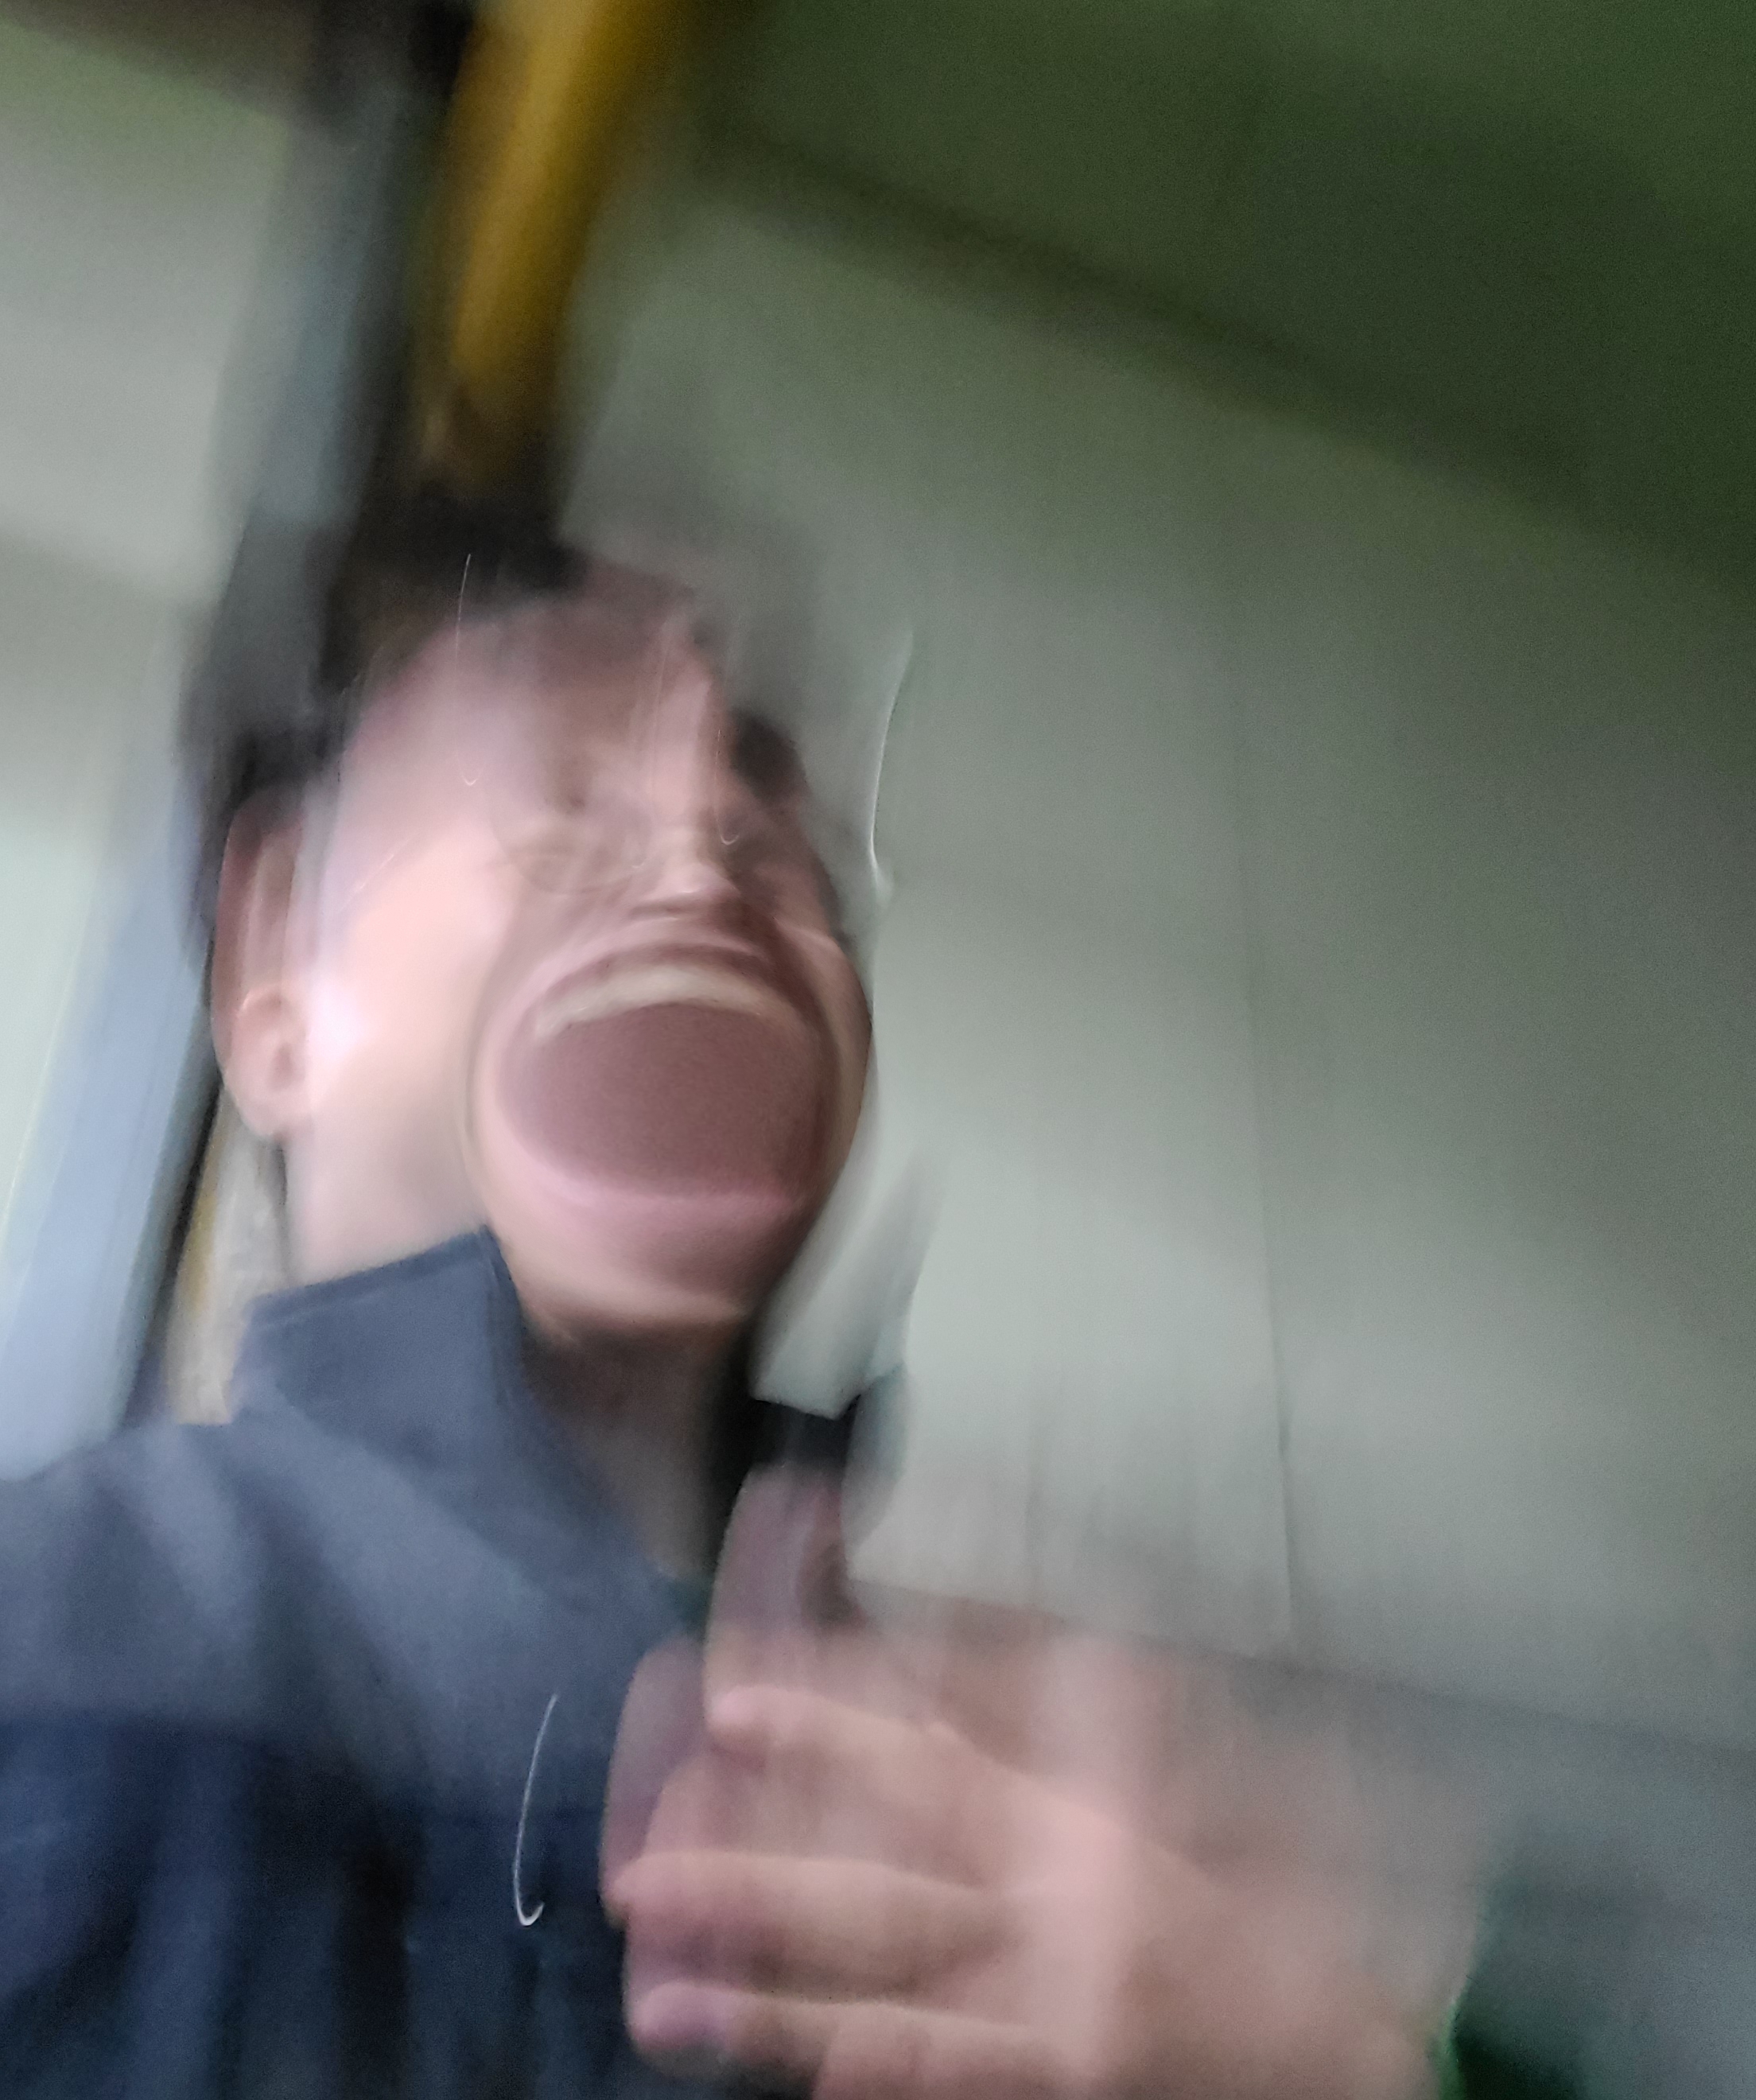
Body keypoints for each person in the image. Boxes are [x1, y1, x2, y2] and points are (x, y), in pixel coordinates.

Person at [0, 481, 1502, 2097]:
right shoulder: (60, 1638)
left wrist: (1335, 2064)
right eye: (569, 768)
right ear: (274, 965)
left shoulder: (1025, 1775)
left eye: (772, 798)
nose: (706, 832)